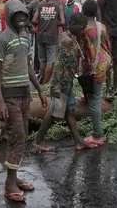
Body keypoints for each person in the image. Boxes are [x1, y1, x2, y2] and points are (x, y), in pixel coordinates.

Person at [0, 0, 47, 202]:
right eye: (17, 16)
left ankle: (14, 177)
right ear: (8, 17)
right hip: (10, 97)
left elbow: (29, 68)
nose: (22, 19)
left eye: (24, 15)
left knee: (18, 137)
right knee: (19, 137)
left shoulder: (25, 38)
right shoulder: (1, 40)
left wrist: (40, 90)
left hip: (25, 94)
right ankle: (9, 184)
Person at [33, 13, 97, 152]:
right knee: (54, 114)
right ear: (72, 25)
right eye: (80, 28)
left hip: (67, 83)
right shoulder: (66, 41)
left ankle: (78, 142)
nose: (82, 31)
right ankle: (37, 142)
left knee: (70, 112)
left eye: (83, 29)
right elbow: (60, 67)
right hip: (61, 84)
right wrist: (58, 90)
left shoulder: (74, 38)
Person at [81, 0, 111, 146]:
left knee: (95, 101)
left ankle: (98, 136)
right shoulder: (102, 27)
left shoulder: (83, 29)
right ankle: (88, 94)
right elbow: (108, 46)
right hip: (104, 63)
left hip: (94, 66)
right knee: (93, 94)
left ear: (83, 12)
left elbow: (84, 53)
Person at [32, 0, 65, 85]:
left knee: (43, 60)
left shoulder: (40, 5)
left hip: (41, 36)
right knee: (50, 60)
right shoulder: (58, 6)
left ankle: (42, 81)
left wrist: (42, 22)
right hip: (52, 37)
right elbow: (63, 22)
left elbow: (34, 20)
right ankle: (47, 83)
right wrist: (54, 23)